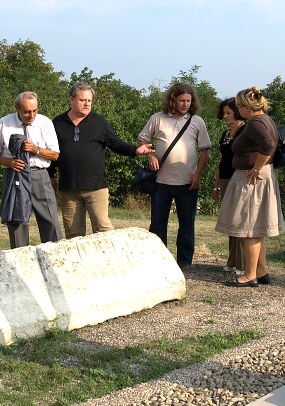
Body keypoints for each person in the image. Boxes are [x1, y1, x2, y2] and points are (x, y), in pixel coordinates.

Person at [49, 82, 153, 239]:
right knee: (73, 234)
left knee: (103, 231)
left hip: (96, 188)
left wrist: (135, 150)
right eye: (82, 100)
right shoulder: (57, 123)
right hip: (69, 188)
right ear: (71, 99)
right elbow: (51, 152)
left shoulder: (99, 122)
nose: (87, 104)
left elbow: (116, 144)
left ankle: (110, 256)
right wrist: (50, 175)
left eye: (89, 101)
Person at [215, 86, 284, 287]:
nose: (238, 110)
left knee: (249, 227)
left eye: (239, 106)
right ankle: (261, 271)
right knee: (256, 227)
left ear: (247, 106)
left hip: (253, 178)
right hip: (258, 176)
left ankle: (249, 275)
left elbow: (268, 144)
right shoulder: (265, 119)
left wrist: (256, 168)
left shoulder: (255, 123)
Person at [137, 82, 211, 268]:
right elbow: (142, 140)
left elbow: (205, 150)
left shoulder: (197, 121)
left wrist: (198, 175)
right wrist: (151, 156)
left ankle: (185, 262)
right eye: (182, 100)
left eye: (188, 101)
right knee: (158, 224)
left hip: (187, 182)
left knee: (186, 224)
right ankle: (158, 260)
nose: (185, 104)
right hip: (161, 181)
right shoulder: (158, 118)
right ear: (173, 100)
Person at [0, 91, 62, 248]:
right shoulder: (2, 124)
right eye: (27, 111)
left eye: (35, 111)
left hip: (39, 174)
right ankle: (19, 256)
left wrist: (36, 149)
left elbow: (55, 155)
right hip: (14, 174)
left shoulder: (45, 122)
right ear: (17, 108)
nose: (31, 115)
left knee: (50, 219)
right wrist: (8, 162)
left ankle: (54, 254)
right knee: (17, 220)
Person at [211, 98, 246, 276]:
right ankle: (232, 261)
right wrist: (216, 186)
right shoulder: (225, 134)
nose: (224, 116)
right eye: (223, 113)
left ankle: (243, 263)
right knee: (231, 222)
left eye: (228, 113)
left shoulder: (245, 131)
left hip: (240, 179)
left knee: (239, 221)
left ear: (237, 112)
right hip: (225, 180)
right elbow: (221, 160)